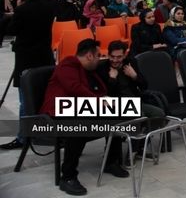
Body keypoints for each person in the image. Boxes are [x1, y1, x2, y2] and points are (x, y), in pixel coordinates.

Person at [40, 39, 128, 195]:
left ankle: (110, 161)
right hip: (58, 112)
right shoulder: (68, 64)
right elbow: (74, 88)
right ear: (89, 56)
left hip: (79, 108)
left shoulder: (88, 70)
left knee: (117, 113)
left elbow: (98, 90)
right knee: (80, 125)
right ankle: (67, 177)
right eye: (98, 55)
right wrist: (100, 101)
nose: (100, 59)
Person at [1, 0, 57, 151]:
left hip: (26, 58)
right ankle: (40, 131)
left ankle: (23, 136)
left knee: (25, 100)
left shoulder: (23, 10)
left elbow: (12, 30)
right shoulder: (50, 5)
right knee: (43, 94)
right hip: (44, 55)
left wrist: (16, 9)